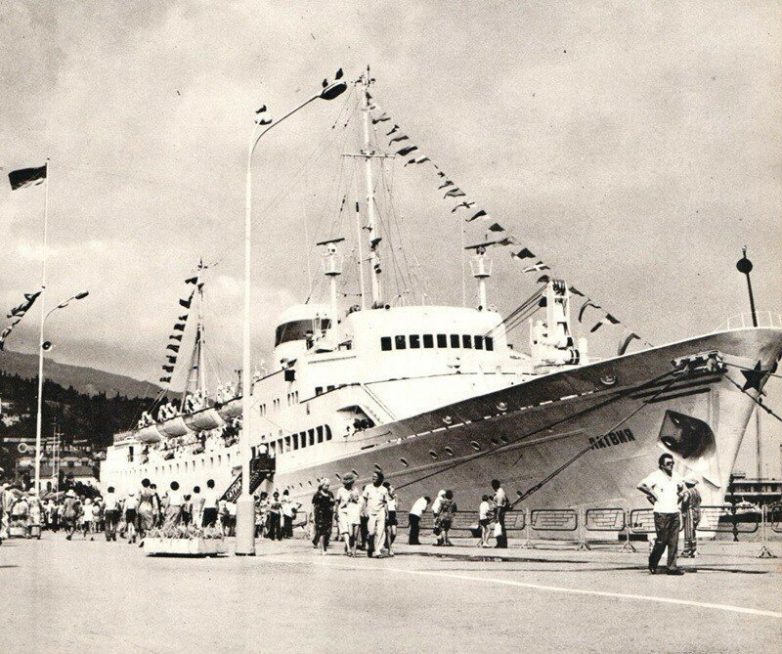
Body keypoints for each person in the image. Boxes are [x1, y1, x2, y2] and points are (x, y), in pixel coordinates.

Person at [637, 453, 686, 575]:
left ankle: (672, 567)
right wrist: (654, 494)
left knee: (674, 541)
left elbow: (682, 489)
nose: (671, 465)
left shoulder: (676, 476)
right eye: (668, 463)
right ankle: (653, 562)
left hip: (674, 512)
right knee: (662, 541)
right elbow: (640, 485)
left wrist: (680, 493)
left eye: (672, 463)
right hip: (661, 513)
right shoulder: (656, 476)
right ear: (662, 465)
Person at [362, 471, 390, 558]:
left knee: (380, 532)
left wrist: (387, 514)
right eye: (373, 476)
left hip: (381, 512)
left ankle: (378, 551)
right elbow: (364, 500)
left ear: (380, 479)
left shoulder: (384, 490)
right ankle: (370, 547)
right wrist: (364, 510)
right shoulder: (368, 487)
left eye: (375, 477)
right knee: (371, 532)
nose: (373, 478)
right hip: (370, 512)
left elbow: (386, 503)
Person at [311, 479, 336, 555]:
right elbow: (314, 505)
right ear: (322, 485)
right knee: (322, 532)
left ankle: (320, 543)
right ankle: (323, 549)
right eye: (326, 485)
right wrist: (313, 516)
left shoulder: (330, 494)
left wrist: (332, 501)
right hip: (320, 514)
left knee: (328, 532)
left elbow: (333, 504)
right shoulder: (317, 494)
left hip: (328, 514)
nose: (327, 487)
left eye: (328, 485)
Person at [680, 478, 702, 558]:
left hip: (690, 512)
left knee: (688, 531)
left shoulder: (687, 492)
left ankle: (687, 551)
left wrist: (683, 511)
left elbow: (685, 501)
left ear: (687, 484)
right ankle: (693, 550)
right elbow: (700, 500)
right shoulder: (697, 492)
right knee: (693, 531)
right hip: (697, 512)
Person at [336, 474, 357, 555]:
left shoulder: (354, 490)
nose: (348, 484)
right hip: (342, 511)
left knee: (351, 533)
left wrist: (353, 498)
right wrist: (336, 513)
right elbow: (337, 502)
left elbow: (357, 501)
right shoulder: (340, 490)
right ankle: (348, 549)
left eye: (350, 483)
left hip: (352, 512)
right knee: (345, 530)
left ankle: (347, 545)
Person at [137, 478, 158, 545]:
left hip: (141, 507)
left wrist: (137, 509)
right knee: (149, 524)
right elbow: (154, 502)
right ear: (149, 484)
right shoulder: (151, 491)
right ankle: (147, 539)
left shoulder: (141, 491)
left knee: (142, 525)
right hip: (149, 507)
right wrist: (155, 509)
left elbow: (139, 501)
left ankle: (141, 539)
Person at [491, 479, 510, 548]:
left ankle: (502, 543)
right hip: (499, 511)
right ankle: (500, 543)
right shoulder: (499, 492)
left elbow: (499, 506)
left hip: (499, 512)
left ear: (494, 486)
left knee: (500, 527)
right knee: (498, 528)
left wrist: (497, 516)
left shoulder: (499, 493)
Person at [383, 481, 398, 556]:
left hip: (393, 514)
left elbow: (396, 507)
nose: (393, 490)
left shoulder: (394, 497)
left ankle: (387, 544)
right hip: (387, 514)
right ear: (388, 490)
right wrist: (386, 515)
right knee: (388, 533)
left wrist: (396, 499)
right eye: (391, 488)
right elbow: (385, 507)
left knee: (394, 533)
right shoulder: (385, 497)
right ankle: (390, 549)